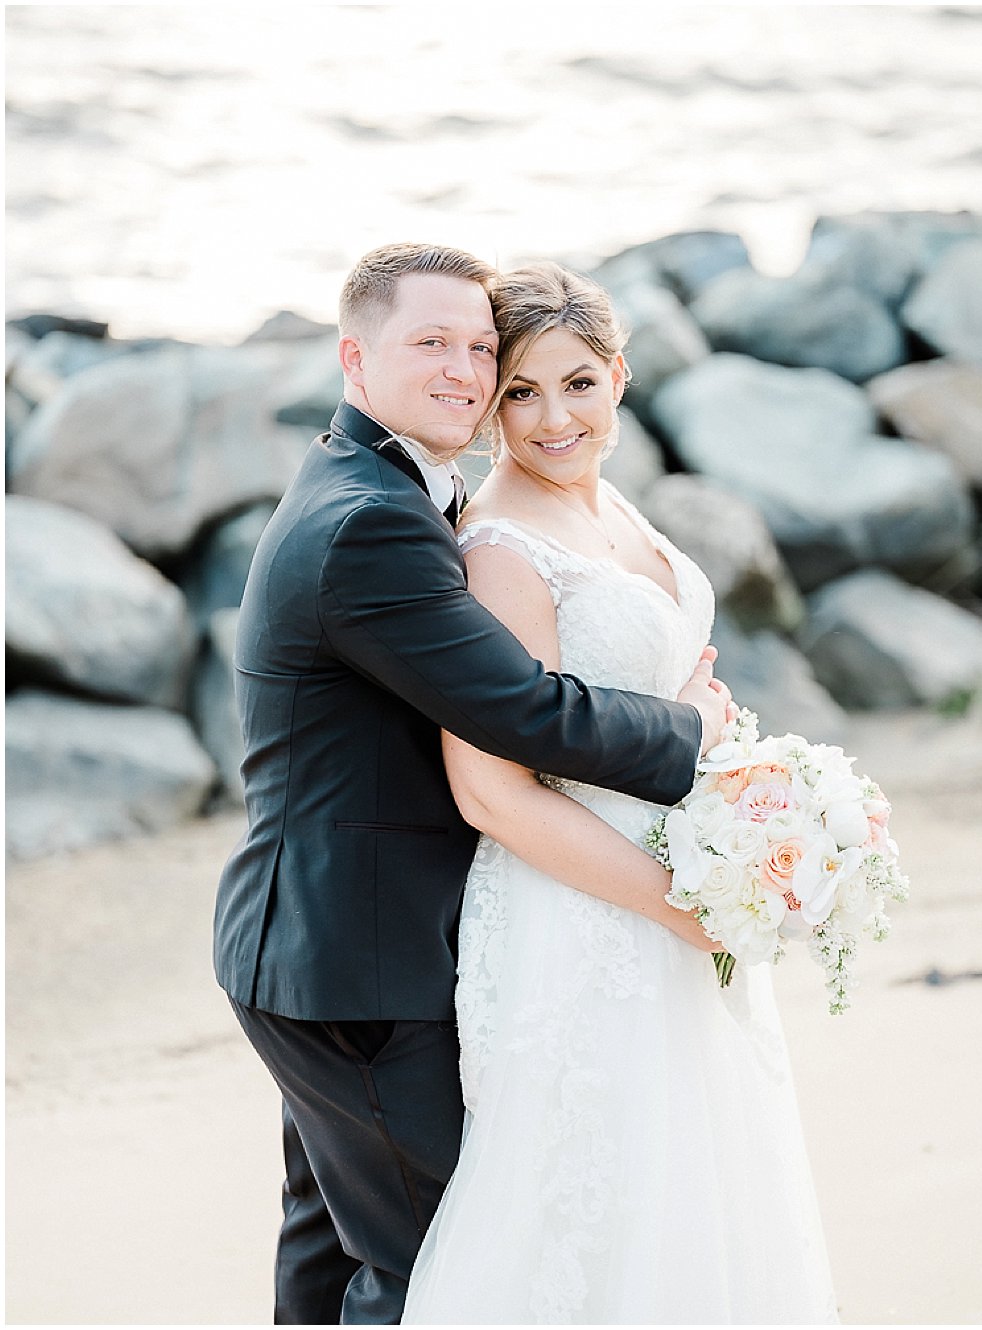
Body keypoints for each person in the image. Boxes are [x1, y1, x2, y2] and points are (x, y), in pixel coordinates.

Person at [213, 242, 734, 1325]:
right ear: (355, 358)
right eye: (430, 344)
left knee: (333, 1250)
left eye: (475, 346)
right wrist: (692, 733)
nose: (463, 368)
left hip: (322, 943)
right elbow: (522, 711)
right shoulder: (369, 520)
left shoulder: (381, 485)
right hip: (353, 963)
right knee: (430, 1269)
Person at [401, 262, 839, 1325]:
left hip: (683, 890)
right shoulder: (502, 551)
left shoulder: (608, 501)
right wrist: (678, 903)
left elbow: (649, 692)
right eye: (519, 392)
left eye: (579, 384)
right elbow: (492, 793)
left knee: (708, 1187)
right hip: (588, 912)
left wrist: (742, 786)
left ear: (622, 377)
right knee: (597, 1205)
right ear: (488, 402)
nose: (553, 418)